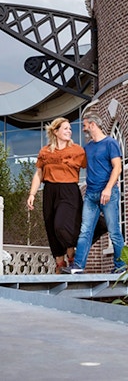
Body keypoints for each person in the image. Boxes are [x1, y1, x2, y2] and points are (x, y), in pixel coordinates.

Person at [63, 112, 126, 274]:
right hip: (91, 195)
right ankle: (78, 266)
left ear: (92, 124)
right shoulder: (88, 147)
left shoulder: (110, 143)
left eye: (84, 125)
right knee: (85, 231)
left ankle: (121, 266)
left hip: (108, 194)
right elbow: (82, 164)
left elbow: (117, 167)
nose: (83, 128)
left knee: (114, 231)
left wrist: (108, 188)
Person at [27, 117, 86, 273]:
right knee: (51, 227)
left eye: (70, 129)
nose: (69, 131)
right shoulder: (45, 151)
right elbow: (38, 174)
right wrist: (32, 194)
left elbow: (91, 166)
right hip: (49, 191)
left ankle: (72, 253)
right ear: (55, 131)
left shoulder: (77, 150)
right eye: (65, 128)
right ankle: (60, 264)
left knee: (61, 225)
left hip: (69, 191)